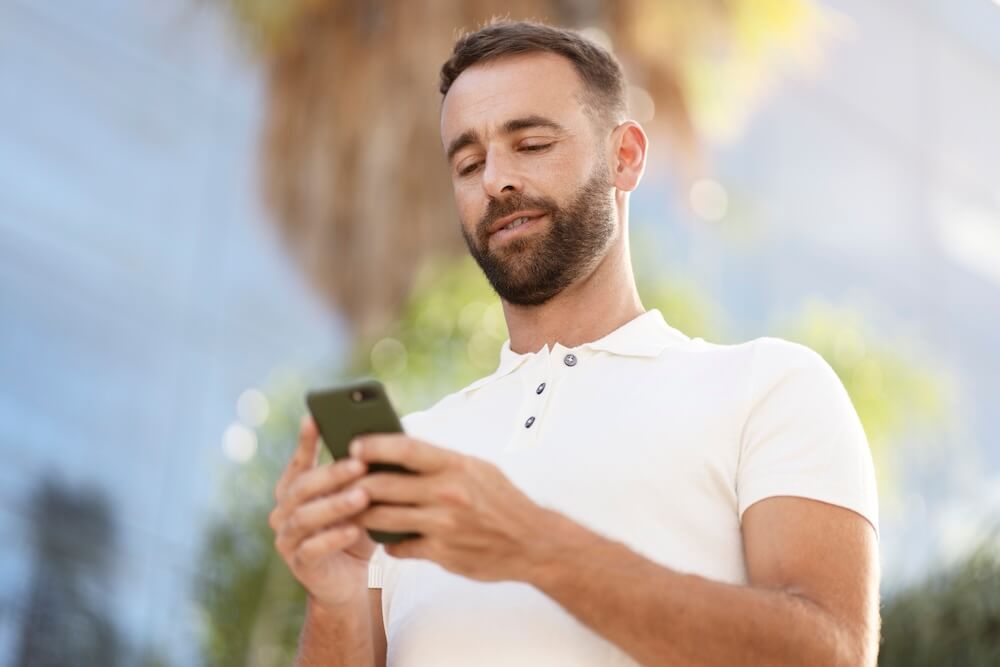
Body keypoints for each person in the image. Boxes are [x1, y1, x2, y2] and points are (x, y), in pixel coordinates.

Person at [269, 19, 880, 667]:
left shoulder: (766, 388)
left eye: (531, 144)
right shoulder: (415, 454)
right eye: (469, 163)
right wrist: (337, 599)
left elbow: (833, 653)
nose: (495, 180)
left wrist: (533, 544)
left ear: (626, 157)